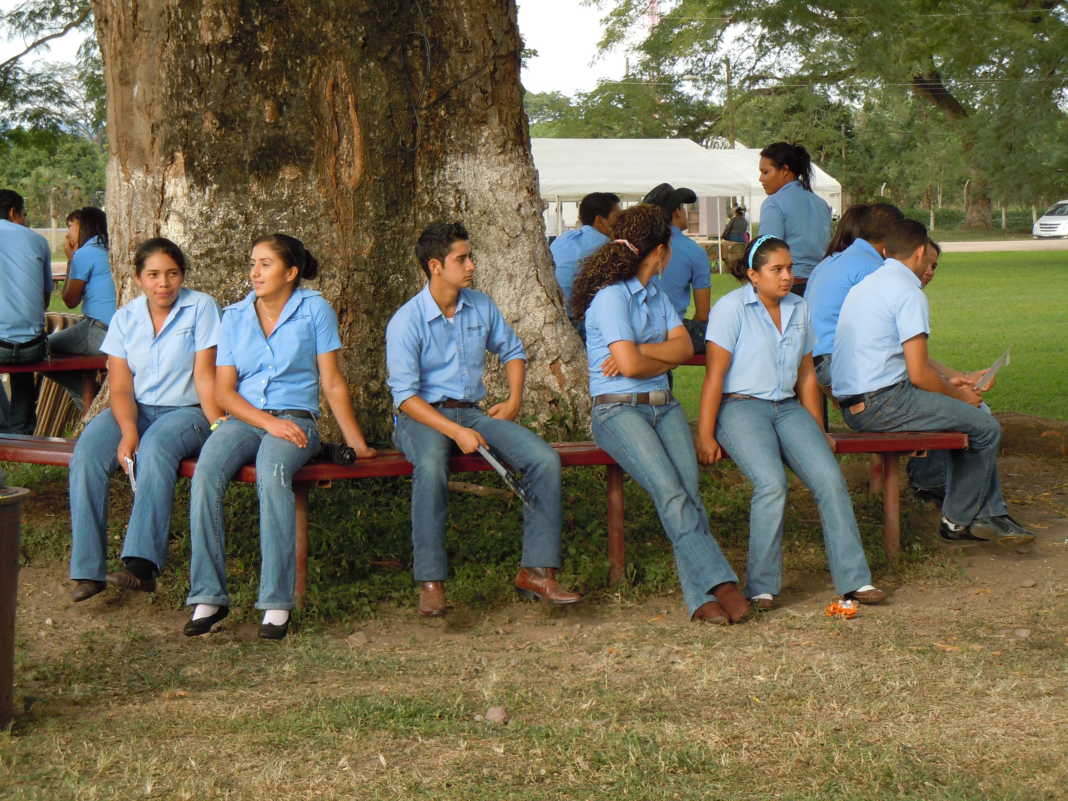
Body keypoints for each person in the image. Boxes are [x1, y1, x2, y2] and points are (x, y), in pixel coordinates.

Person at [185, 234, 376, 640]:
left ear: (291, 272)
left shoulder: (314, 310)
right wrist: (264, 422)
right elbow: (224, 391)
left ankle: (275, 603)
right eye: (253, 262)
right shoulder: (234, 316)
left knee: (273, 477)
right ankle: (209, 595)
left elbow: (331, 380)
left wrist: (355, 442)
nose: (255, 272)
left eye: (266, 264)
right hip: (244, 420)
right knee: (205, 476)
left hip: (296, 419)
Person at [386, 221, 581, 617]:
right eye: (463, 258)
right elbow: (405, 398)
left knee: (544, 459)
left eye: (471, 256)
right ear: (435, 266)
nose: (472, 265)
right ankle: (431, 581)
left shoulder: (480, 305)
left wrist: (512, 401)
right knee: (430, 463)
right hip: (422, 417)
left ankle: (536, 571)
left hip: (471, 414)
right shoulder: (406, 321)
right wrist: (455, 431)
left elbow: (513, 351)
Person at [571, 204, 751, 624]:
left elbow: (683, 349)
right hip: (618, 413)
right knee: (671, 493)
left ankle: (698, 600)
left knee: (688, 494)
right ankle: (722, 584)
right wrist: (646, 358)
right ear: (659, 251)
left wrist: (641, 351)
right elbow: (630, 369)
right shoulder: (611, 298)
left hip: (663, 406)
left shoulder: (656, 294)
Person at [695, 235, 884, 610]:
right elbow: (714, 376)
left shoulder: (800, 308)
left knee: (830, 480)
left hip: (787, 408)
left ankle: (855, 581)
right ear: (753, 274)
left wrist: (818, 429)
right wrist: (704, 434)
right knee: (772, 484)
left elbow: (807, 377)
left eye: (789, 268)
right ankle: (762, 587)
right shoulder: (730, 309)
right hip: (741, 408)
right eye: (776, 270)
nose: (787, 277)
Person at [832, 219, 1035, 546]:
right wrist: (960, 395)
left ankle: (985, 514)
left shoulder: (870, 284)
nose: (931, 267)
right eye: (931, 259)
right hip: (883, 402)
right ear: (921, 251)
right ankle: (960, 520)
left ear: (886, 250)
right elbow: (918, 375)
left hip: (861, 402)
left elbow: (903, 358)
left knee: (974, 416)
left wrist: (956, 382)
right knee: (984, 425)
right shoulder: (907, 292)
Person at [68, 238, 222, 602]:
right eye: (153, 275)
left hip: (188, 411)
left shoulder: (201, 307)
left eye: (171, 274)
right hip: (136, 407)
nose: (163, 283)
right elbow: (120, 385)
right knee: (87, 454)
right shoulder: (126, 317)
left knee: (154, 449)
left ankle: (142, 565)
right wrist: (127, 431)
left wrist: (218, 424)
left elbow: (205, 375)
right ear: (138, 278)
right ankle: (88, 570)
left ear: (182, 275)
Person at [805, 203, 904, 387]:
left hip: (812, 358)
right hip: (836, 361)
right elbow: (890, 335)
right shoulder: (873, 269)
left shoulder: (830, 261)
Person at [48, 206, 117, 407]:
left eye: (70, 226)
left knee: (41, 349)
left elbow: (70, 301)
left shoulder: (86, 253)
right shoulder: (111, 248)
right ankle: (88, 395)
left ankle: (88, 395)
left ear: (83, 227)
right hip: (118, 333)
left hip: (97, 332)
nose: (68, 233)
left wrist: (71, 259)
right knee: (81, 362)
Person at [0, 189, 52, 434]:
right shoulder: (38, 241)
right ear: (13, 212)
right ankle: (20, 430)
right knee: (23, 369)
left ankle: (3, 427)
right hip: (33, 348)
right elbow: (45, 298)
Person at [643, 183, 712, 353]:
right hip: (671, 331)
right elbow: (703, 315)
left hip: (636, 330)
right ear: (677, 211)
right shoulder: (694, 251)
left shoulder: (637, 243)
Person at [757, 142, 832, 296]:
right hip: (820, 285)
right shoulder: (821, 203)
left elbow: (768, 253)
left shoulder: (774, 203)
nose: (760, 178)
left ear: (784, 170)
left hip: (788, 286)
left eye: (765, 172)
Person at [550, 192, 621, 334]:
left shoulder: (563, 239)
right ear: (600, 221)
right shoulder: (608, 249)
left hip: (551, 316)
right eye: (618, 218)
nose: (621, 223)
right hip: (578, 327)